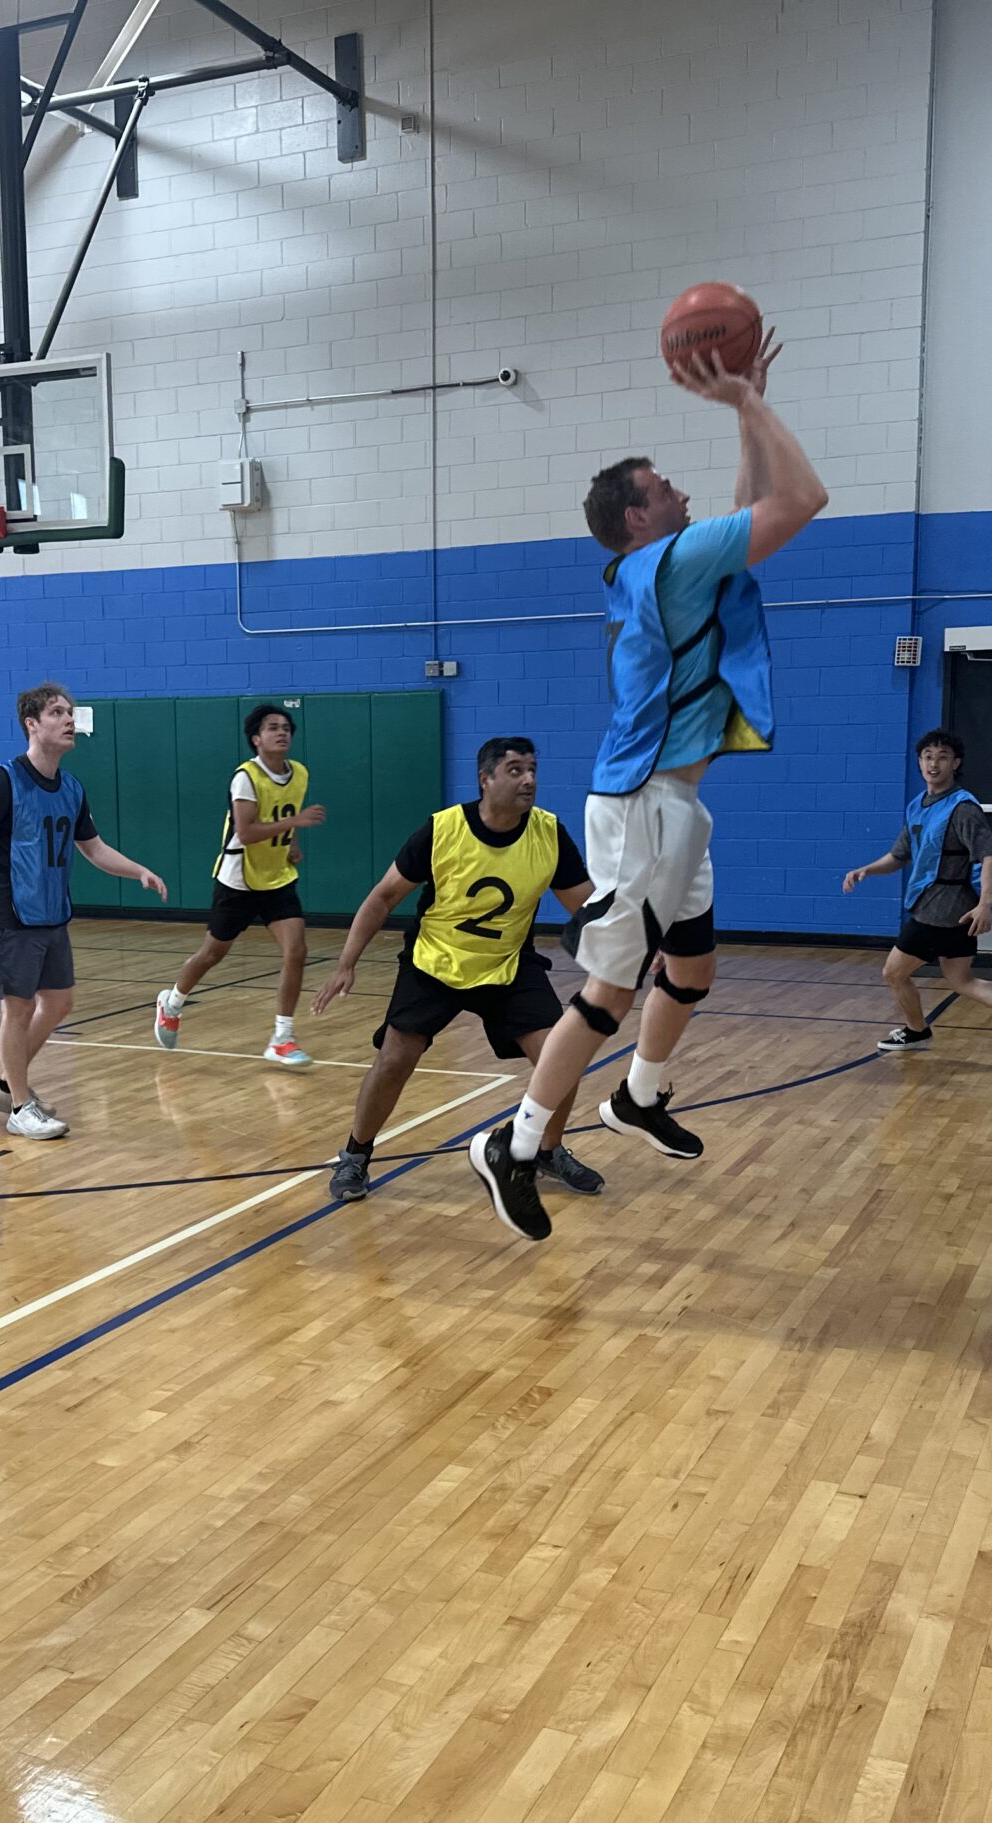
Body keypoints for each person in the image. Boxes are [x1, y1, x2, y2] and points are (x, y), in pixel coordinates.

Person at [468, 339, 828, 1243]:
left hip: (674, 807)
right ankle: (513, 1146)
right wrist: (748, 400)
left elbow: (744, 513)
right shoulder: (665, 563)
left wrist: (745, 410)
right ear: (638, 516)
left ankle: (638, 1096)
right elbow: (800, 502)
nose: (682, 492)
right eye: (665, 486)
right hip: (639, 806)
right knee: (608, 993)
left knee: (693, 968)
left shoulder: (667, 568)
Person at [314, 737, 601, 1202]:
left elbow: (585, 907)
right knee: (394, 1059)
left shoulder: (548, 833)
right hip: (436, 961)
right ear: (485, 779)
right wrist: (346, 963)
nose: (528, 779)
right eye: (514, 770)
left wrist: (640, 942)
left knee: (560, 1055)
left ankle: (547, 1151)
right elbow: (383, 897)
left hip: (507, 964)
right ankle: (355, 1155)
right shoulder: (443, 829)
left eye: (532, 769)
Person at [0, 683, 168, 1140]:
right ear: (32, 724)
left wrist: (138, 870)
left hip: (52, 914)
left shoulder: (71, 787)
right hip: (8, 914)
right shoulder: (1, 781)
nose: (69, 719)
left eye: (70, 712)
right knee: (17, 1009)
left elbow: (93, 848)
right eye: (57, 712)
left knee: (58, 1002)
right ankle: (20, 1107)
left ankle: (6, 1086)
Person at [843, 728, 992, 1065]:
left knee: (893, 972)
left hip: (940, 909)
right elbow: (899, 856)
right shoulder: (917, 806)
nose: (933, 764)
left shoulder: (963, 808)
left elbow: (989, 857)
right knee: (960, 979)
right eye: (928, 757)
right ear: (919, 762)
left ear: (956, 763)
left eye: (942, 758)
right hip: (952, 910)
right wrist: (867, 869)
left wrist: (985, 905)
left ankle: (916, 1031)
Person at [155, 703, 327, 1068]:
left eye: (286, 728)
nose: (282, 733)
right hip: (239, 880)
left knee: (296, 950)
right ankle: (172, 1002)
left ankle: (282, 1038)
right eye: (272, 727)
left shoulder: (299, 773)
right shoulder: (246, 777)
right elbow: (246, 832)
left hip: (277, 877)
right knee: (212, 955)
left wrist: (292, 843)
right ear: (256, 738)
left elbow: (283, 814)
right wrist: (295, 823)